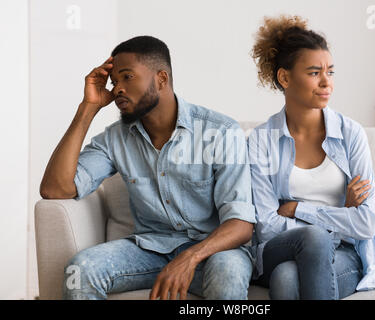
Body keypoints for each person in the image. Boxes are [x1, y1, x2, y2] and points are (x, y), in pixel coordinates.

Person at [39, 35, 256, 300]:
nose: (117, 89)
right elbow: (54, 189)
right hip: (149, 250)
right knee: (80, 270)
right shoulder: (114, 139)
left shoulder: (220, 131)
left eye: (127, 77)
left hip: (213, 253)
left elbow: (241, 224)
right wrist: (88, 108)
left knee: (228, 272)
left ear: (161, 79)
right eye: (114, 81)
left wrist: (189, 257)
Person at [248, 15, 375, 300]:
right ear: (285, 77)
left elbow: (367, 222)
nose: (326, 83)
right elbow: (266, 226)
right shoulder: (262, 140)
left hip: (343, 254)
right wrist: (342, 213)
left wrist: (298, 209)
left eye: (330, 72)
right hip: (279, 249)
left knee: (286, 279)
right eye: (314, 73)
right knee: (313, 238)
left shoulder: (351, 134)